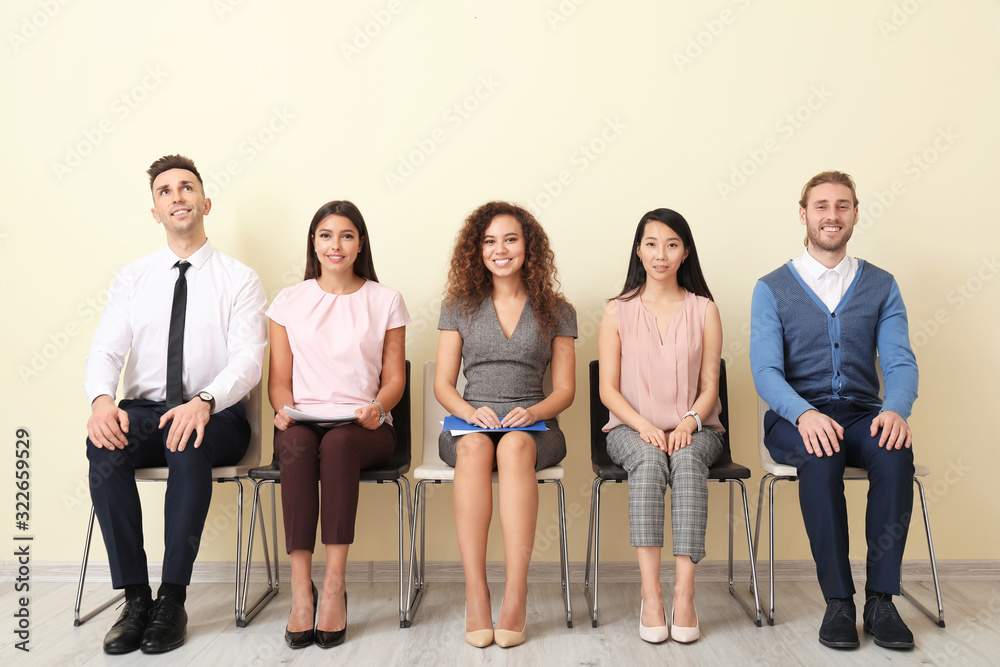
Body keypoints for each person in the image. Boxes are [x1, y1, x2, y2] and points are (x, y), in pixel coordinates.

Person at [84, 155, 267, 654]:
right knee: (104, 448)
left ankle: (173, 596)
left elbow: (249, 360)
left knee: (188, 441)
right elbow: (105, 349)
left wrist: (204, 400)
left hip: (218, 412)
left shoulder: (240, 279)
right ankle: (136, 596)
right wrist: (102, 401)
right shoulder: (133, 277)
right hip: (145, 411)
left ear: (205, 203)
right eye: (166, 191)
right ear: (155, 212)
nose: (177, 196)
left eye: (187, 188)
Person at [750, 171, 918, 650]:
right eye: (821, 206)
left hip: (863, 412)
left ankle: (881, 599)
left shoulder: (881, 285)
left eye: (842, 206)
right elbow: (765, 372)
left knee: (894, 452)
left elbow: (901, 361)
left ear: (855, 214)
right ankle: (839, 602)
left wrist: (896, 410)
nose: (832, 215)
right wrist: (804, 414)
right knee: (819, 456)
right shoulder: (772, 287)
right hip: (794, 417)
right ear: (803, 214)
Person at [267, 201, 409, 649]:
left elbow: (394, 379)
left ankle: (333, 585)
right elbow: (279, 382)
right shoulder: (288, 301)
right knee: (297, 445)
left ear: (360, 243)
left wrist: (377, 406)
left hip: (364, 426)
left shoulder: (385, 300)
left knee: (339, 445)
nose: (336, 245)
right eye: (326, 235)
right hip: (303, 419)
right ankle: (300, 589)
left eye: (346, 235)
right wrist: (284, 409)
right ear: (313, 242)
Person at [434, 201, 576, 648]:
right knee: (476, 448)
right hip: (470, 420)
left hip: (535, 425)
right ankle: (476, 591)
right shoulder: (458, 306)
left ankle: (516, 591)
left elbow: (565, 390)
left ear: (528, 247)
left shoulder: (557, 309)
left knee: (514, 446)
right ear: (477, 250)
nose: (500, 250)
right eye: (490, 241)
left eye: (511, 239)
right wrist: (467, 411)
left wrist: (533, 412)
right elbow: (442, 383)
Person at [597, 208, 722, 644]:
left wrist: (689, 422)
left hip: (698, 428)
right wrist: (645, 426)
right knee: (649, 464)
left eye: (672, 244)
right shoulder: (617, 311)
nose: (661, 254)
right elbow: (608, 391)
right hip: (631, 429)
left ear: (685, 252)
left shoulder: (704, 310)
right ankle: (651, 596)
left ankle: (684, 595)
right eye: (651, 244)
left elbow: (709, 385)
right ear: (638, 250)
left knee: (687, 466)